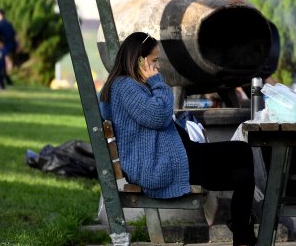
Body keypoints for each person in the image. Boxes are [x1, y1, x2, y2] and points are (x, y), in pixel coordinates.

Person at [99, 32, 256, 245]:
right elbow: (159, 116)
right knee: (242, 161)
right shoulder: (125, 86)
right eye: (154, 61)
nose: (158, 66)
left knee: (243, 161)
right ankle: (242, 232)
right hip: (159, 164)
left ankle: (241, 231)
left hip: (174, 156)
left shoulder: (129, 85)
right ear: (139, 61)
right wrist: (157, 82)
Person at [0, 9, 17, 85]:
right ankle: (8, 80)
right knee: (8, 64)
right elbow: (15, 36)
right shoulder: (9, 24)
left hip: (3, 48)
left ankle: (2, 80)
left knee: (2, 65)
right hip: (11, 46)